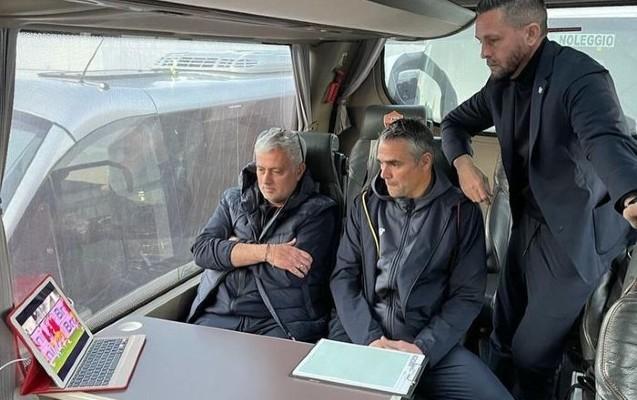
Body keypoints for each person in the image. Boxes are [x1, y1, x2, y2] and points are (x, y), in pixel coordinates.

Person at [440, 0, 637, 398]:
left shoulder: (581, 78)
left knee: (532, 353)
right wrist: (462, 164)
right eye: (480, 42)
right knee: (500, 334)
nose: (484, 53)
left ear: (531, 34)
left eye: (493, 40)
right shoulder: (501, 82)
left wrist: (631, 194)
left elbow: (605, 140)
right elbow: (454, 123)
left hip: (577, 233)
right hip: (527, 224)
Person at [330, 118, 513, 400]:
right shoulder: (365, 205)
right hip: (364, 336)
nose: (384, 174)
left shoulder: (460, 213)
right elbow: (343, 277)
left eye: (394, 164)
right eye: (381, 163)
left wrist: (422, 348)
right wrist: (370, 339)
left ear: (425, 161)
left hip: (427, 344)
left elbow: (466, 295)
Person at [186, 127, 338, 342]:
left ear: (299, 171)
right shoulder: (232, 200)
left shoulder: (319, 212)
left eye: (276, 171)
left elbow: (291, 276)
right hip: (217, 314)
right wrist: (268, 253)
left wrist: (232, 249)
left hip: (276, 322)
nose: (266, 180)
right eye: (260, 169)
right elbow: (202, 251)